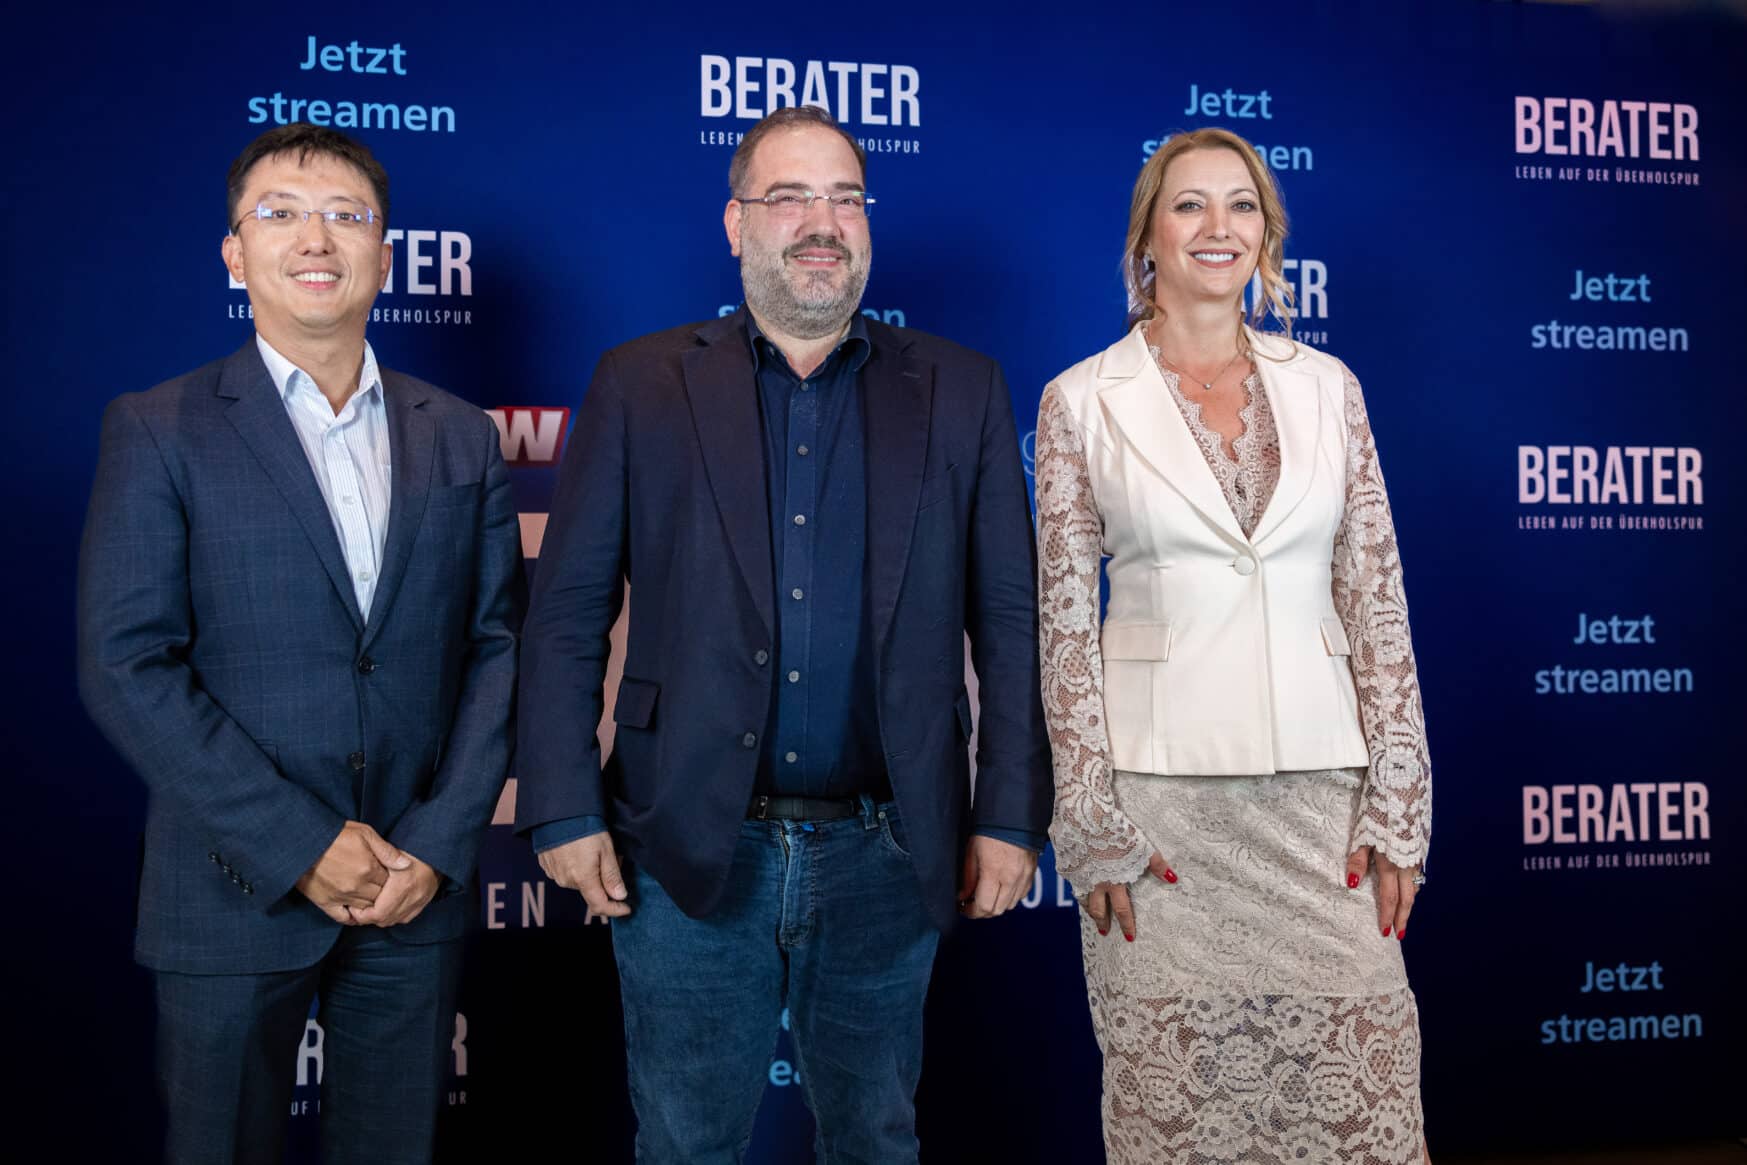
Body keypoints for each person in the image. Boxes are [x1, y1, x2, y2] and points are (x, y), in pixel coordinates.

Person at [515, 104, 1052, 1163]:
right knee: (684, 1142)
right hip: (684, 845)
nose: (823, 221)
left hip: (888, 852)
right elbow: (568, 612)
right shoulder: (641, 383)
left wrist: (1010, 814)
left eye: (846, 197)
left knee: (873, 1137)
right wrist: (562, 803)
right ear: (735, 223)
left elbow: (1009, 620)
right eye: (791, 197)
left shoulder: (961, 388)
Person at [76, 123, 524, 1164]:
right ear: (234, 253)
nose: (314, 238)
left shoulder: (460, 432)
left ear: (384, 249)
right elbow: (126, 661)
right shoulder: (158, 426)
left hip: (414, 891)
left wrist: (440, 843)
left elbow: (497, 646)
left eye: (345, 215)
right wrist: (302, 844)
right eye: (278, 213)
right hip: (233, 891)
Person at [1036, 127, 1431, 1164]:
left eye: (1242, 206)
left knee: (1360, 1108)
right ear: (1147, 238)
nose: (1219, 227)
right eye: (1190, 205)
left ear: (1267, 238)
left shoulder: (1329, 388)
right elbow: (1064, 624)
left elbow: (1376, 602)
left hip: (1323, 806)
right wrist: (1088, 815)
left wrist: (1399, 804)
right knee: (1180, 1118)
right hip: (1158, 815)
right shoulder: (1080, 400)